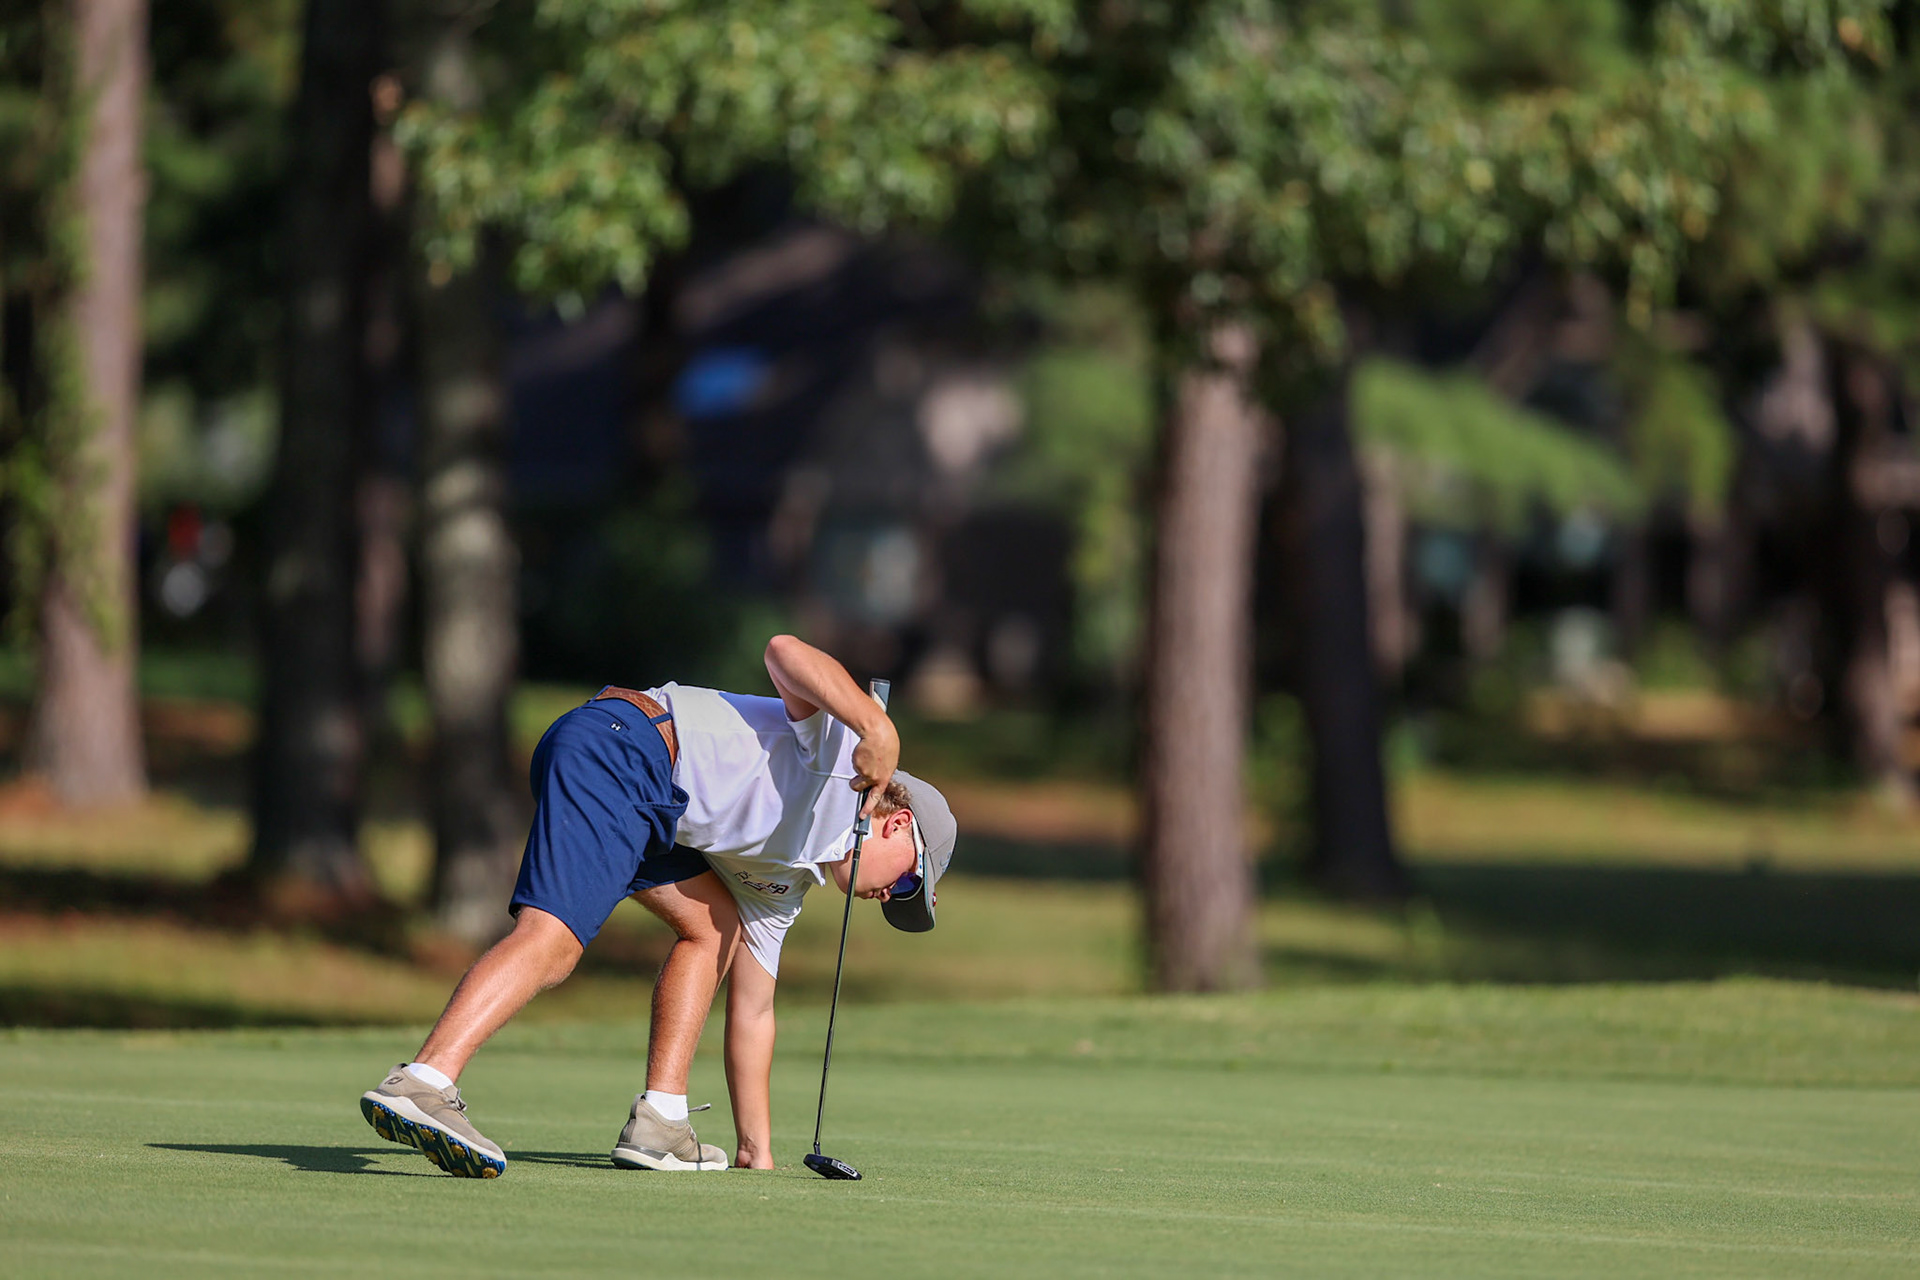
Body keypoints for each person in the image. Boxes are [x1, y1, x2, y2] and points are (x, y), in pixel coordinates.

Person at [358, 634, 956, 1176]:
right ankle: (424, 1080)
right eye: (906, 884)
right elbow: (783, 652)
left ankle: (662, 1123)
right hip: (625, 746)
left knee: (714, 926)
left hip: (648, 797)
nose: (888, 898)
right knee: (554, 940)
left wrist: (757, 1150)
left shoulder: (783, 883)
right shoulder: (842, 753)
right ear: (898, 823)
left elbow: (752, 1010)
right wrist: (874, 728)